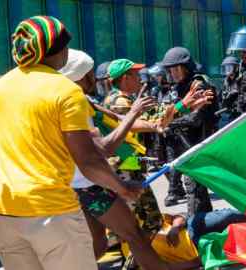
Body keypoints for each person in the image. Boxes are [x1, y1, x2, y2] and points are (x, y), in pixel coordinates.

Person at [0, 16, 141, 270]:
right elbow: (88, 159)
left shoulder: (2, 86)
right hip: (52, 212)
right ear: (59, 50)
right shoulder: (64, 90)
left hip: (6, 214)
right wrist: (122, 187)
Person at [60, 49, 213, 270]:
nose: (140, 78)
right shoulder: (114, 101)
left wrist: (181, 106)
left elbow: (150, 120)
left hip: (110, 175)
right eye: (134, 74)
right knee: (139, 227)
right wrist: (171, 110)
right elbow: (131, 124)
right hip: (112, 174)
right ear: (124, 78)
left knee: (116, 235)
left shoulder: (99, 102)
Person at [161, 47, 218, 214]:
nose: (174, 73)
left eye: (177, 68)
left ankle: (196, 225)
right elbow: (166, 111)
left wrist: (170, 123)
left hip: (199, 141)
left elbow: (196, 118)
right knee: (197, 190)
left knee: (193, 185)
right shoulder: (179, 87)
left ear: (187, 67)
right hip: (184, 141)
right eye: (171, 70)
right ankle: (205, 223)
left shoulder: (198, 84)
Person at [219, 55, 240, 123]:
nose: (227, 70)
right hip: (229, 113)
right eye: (225, 67)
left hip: (240, 113)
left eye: (229, 67)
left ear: (236, 68)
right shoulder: (226, 82)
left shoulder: (241, 80)